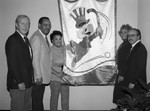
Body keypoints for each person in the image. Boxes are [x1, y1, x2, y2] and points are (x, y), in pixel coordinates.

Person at [5, 15, 34, 111]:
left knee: (27, 108)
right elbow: (12, 64)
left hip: (28, 82)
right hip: (18, 84)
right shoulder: (13, 40)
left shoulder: (25, 39)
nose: (25, 26)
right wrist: (19, 81)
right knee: (18, 108)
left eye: (27, 24)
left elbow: (27, 62)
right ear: (16, 25)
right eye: (22, 23)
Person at [30, 17, 52, 111]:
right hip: (38, 78)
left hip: (42, 76)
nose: (48, 27)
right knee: (36, 101)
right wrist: (38, 76)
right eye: (45, 25)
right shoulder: (37, 37)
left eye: (49, 25)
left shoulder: (43, 37)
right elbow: (35, 58)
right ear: (39, 25)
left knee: (38, 100)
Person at [112, 24, 132, 110]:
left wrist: (122, 74)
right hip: (121, 71)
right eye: (122, 32)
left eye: (125, 32)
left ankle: (121, 108)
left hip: (123, 73)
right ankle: (120, 108)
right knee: (120, 94)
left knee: (121, 94)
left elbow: (126, 61)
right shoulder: (125, 43)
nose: (123, 34)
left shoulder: (127, 44)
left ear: (129, 33)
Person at [50, 30, 69, 111]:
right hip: (55, 78)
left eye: (60, 38)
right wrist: (57, 73)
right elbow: (47, 66)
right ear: (52, 41)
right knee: (54, 100)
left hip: (65, 77)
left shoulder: (65, 48)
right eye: (56, 39)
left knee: (65, 100)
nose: (59, 41)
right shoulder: (49, 50)